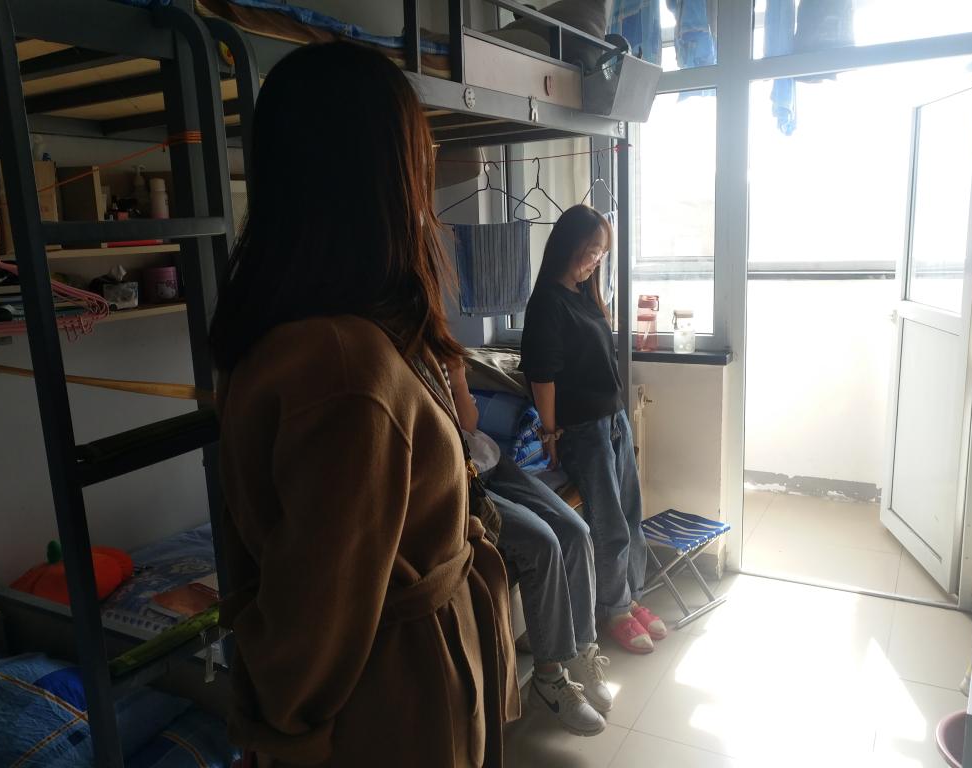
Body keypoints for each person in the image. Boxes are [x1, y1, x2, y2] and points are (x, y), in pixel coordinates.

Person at [210, 42, 519, 768]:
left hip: (412, 681)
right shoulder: (343, 369)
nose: (426, 176)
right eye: (417, 154)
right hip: (393, 710)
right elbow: (313, 618)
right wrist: (283, 736)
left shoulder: (365, 332)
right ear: (380, 175)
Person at [519, 204, 667, 655]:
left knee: (630, 514)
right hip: (583, 430)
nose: (596, 260)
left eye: (602, 252)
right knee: (609, 524)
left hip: (613, 419)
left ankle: (631, 597)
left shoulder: (584, 295)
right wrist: (549, 435)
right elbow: (542, 377)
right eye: (592, 250)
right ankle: (615, 610)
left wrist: (619, 417)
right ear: (569, 245)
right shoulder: (547, 302)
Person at [447, 360, 612, 737]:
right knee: (543, 543)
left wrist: (456, 376)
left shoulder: (437, 352)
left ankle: (581, 648)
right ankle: (549, 678)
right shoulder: (398, 364)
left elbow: (469, 423)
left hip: (489, 460)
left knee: (575, 530)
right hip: (457, 479)